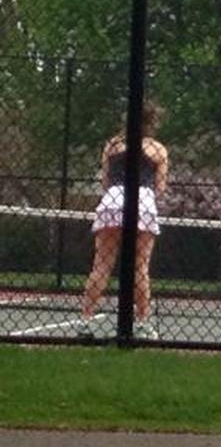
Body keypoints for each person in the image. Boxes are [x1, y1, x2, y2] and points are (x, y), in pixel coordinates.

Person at [79, 100, 170, 340]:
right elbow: (160, 188)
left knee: (101, 264)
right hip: (143, 202)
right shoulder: (158, 150)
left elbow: (105, 181)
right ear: (152, 122)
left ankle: (85, 321)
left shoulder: (113, 145)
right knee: (140, 267)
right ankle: (142, 323)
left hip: (113, 199)